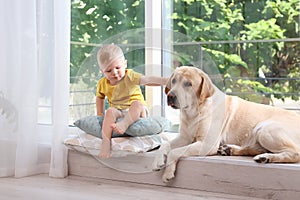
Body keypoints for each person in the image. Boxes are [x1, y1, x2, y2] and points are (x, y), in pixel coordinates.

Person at [96, 44, 168, 158]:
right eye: (108, 71)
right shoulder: (102, 83)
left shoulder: (130, 76)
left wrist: (165, 81)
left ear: (125, 64)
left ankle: (124, 125)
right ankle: (105, 143)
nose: (114, 73)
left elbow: (147, 80)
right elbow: (99, 97)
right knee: (110, 111)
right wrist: (99, 114)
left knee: (137, 103)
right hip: (119, 112)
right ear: (102, 71)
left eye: (118, 68)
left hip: (138, 112)